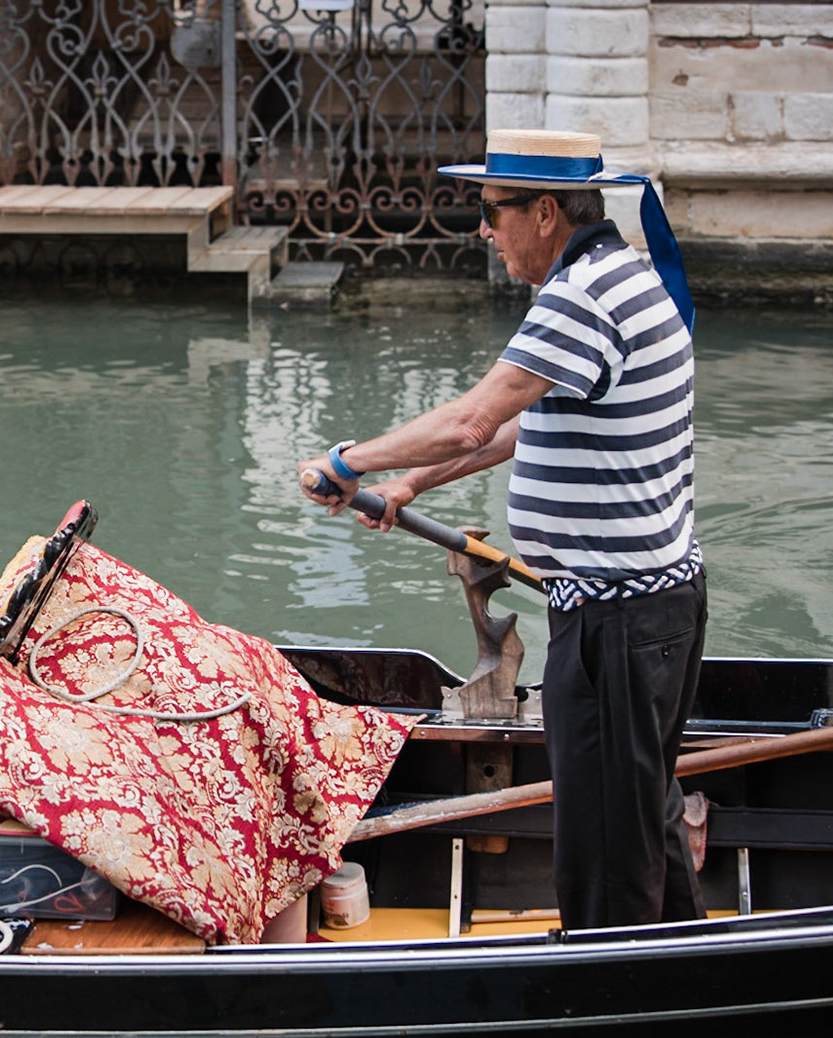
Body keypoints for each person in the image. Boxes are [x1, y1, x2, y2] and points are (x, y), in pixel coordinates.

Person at [298, 128, 707, 931]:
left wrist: (348, 461)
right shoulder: (621, 273)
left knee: (607, 846)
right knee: (644, 817)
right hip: (655, 610)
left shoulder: (580, 298)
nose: (483, 230)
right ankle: (680, 959)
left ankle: (609, 999)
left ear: (547, 211)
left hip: (618, 623)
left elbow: (470, 420)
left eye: (492, 211)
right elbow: (520, 427)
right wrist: (408, 483)